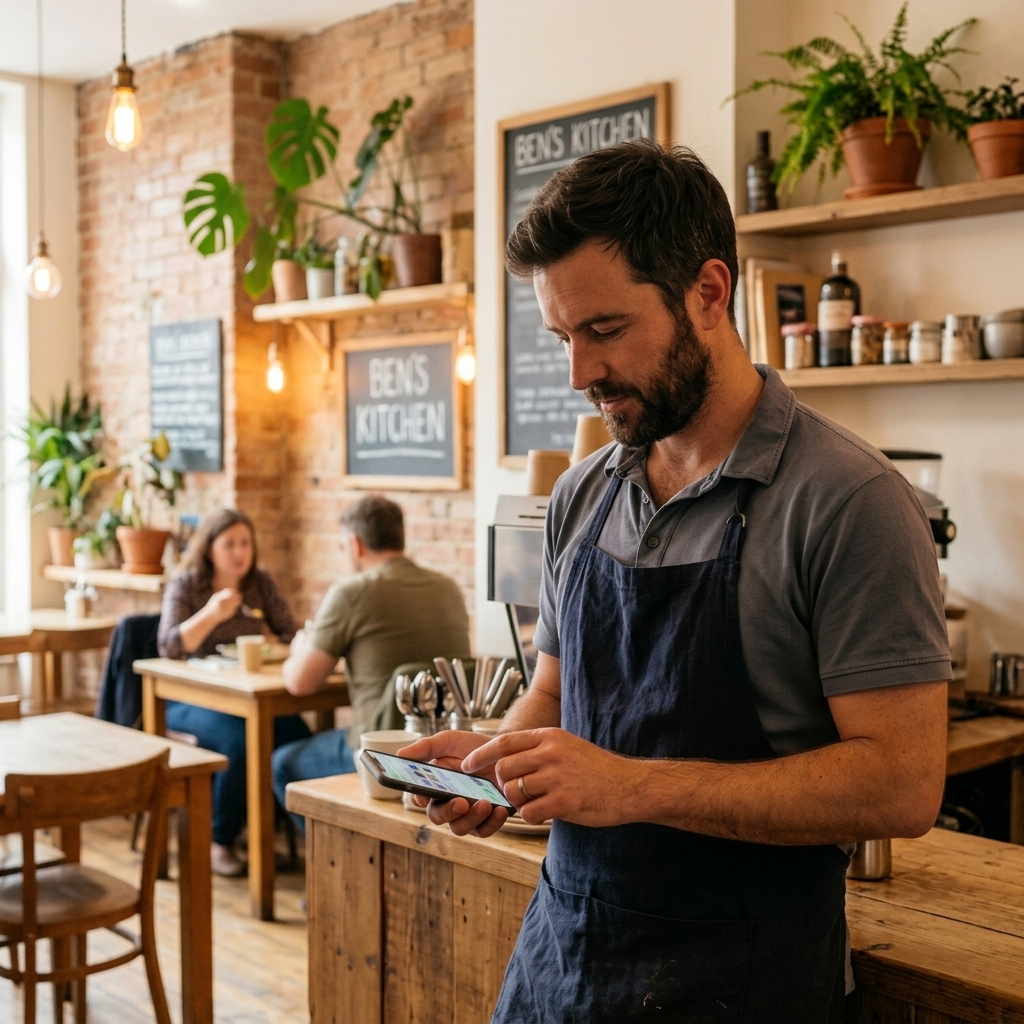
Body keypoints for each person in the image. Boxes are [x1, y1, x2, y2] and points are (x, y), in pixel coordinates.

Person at [401, 141, 950, 1023]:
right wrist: (493, 762)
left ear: (708, 293)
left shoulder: (850, 501)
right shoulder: (583, 493)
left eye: (605, 331)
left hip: (745, 984)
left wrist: (632, 785)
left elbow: (903, 784)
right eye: (562, 337)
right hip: (564, 967)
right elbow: (552, 688)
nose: (579, 373)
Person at [271, 494, 470, 821]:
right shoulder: (448, 588)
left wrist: (298, 648)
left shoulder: (352, 593)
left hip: (380, 754)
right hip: (443, 750)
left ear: (356, 544)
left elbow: (300, 682)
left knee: (284, 762)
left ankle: (328, 861)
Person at [157, 507, 310, 876]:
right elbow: (169, 646)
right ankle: (220, 841)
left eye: (245, 543)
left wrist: (275, 642)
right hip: (188, 699)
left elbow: (292, 636)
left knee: (297, 736)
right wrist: (212, 613)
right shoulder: (187, 585)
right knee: (240, 743)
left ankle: (278, 835)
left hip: (249, 695)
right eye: (230, 544)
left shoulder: (259, 583)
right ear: (210, 549)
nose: (240, 552)